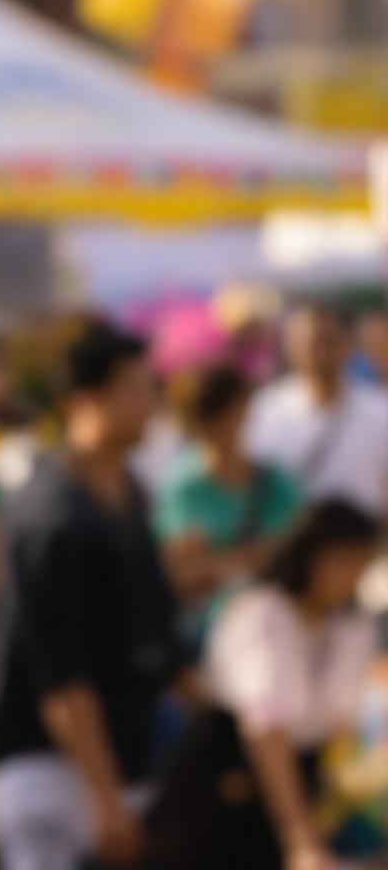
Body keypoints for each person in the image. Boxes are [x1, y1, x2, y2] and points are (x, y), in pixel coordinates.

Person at [0, 322, 183, 870]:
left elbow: (155, 631)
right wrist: (105, 798)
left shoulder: (131, 491)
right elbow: (60, 674)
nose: (152, 405)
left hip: (122, 766)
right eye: (139, 389)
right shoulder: (49, 512)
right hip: (52, 774)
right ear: (89, 400)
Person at [146, 500, 380, 870]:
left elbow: (339, 728)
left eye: (361, 561)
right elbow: (266, 730)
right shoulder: (263, 614)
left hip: (298, 784)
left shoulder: (352, 625)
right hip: (227, 785)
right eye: (344, 560)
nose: (353, 573)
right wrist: (299, 837)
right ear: (312, 555)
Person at [155, 365, 297, 639]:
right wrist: (256, 557)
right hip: (214, 634)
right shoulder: (181, 490)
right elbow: (182, 575)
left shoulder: (275, 481)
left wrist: (220, 564)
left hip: (280, 630)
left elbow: (305, 547)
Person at [245, 299, 388, 515]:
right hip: (291, 542)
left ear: (348, 344)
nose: (320, 353)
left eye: (329, 342)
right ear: (289, 348)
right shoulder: (265, 410)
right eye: (311, 343)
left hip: (362, 542)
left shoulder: (379, 411)